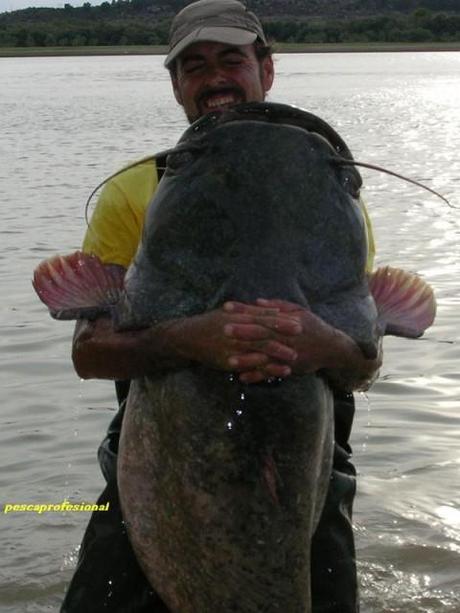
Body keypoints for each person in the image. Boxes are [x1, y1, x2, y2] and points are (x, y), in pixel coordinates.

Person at [61, 1, 380, 611]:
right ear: (177, 83)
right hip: (157, 447)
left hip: (307, 457)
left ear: (267, 67)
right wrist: (187, 340)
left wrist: (322, 344)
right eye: (194, 66)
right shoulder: (136, 188)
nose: (214, 78)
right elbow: (89, 353)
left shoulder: (330, 192)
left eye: (231, 59)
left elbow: (363, 364)